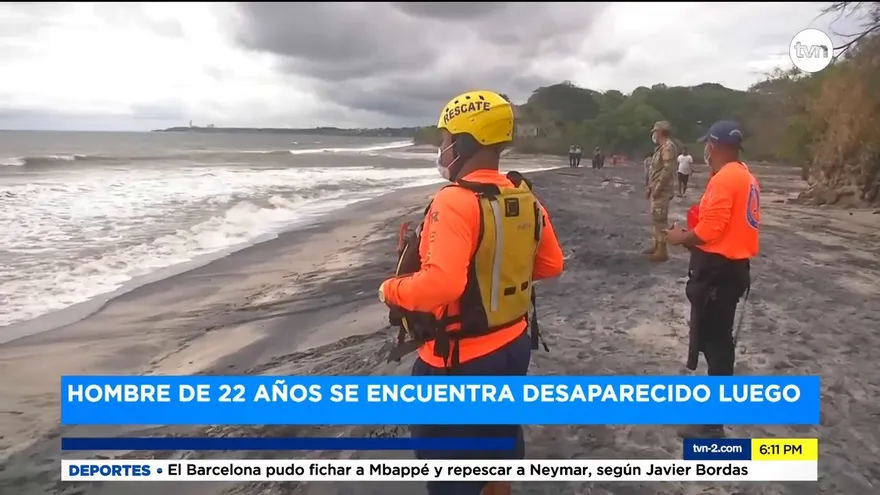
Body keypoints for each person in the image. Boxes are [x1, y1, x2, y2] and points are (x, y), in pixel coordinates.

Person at [377, 90, 565, 495]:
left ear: (462, 143)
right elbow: (551, 264)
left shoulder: (455, 202)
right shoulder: (524, 195)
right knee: (499, 439)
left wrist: (389, 290)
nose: (442, 149)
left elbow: (441, 286)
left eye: (445, 140)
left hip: (456, 362)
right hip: (514, 343)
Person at [666, 120, 759, 439]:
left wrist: (681, 237)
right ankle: (712, 416)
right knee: (718, 343)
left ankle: (712, 424)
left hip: (718, 270)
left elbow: (710, 230)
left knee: (716, 346)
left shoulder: (726, 179)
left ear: (715, 146)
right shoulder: (746, 176)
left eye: (708, 145)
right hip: (734, 267)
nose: (705, 150)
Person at [642, 120, 678, 262]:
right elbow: (655, 171)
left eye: (655, 132)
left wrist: (657, 188)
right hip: (657, 188)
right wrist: (650, 187)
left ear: (660, 132)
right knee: (656, 218)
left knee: (660, 219)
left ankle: (662, 251)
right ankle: (656, 245)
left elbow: (667, 170)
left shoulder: (668, 147)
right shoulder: (661, 148)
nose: (654, 135)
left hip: (662, 189)